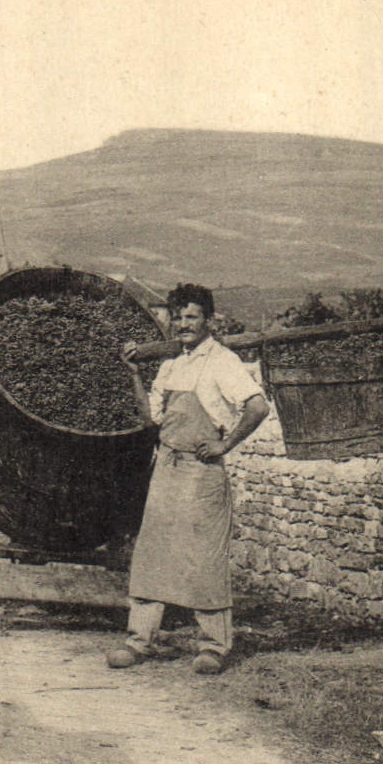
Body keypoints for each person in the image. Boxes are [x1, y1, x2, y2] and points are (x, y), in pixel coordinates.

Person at [108, 283, 270, 674]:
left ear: (208, 321)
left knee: (204, 559)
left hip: (202, 475)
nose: (183, 324)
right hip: (167, 467)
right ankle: (138, 642)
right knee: (152, 555)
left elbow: (257, 406)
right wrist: (133, 374)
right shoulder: (170, 365)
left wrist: (224, 445)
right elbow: (150, 419)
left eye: (191, 317)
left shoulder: (223, 362)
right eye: (178, 317)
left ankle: (213, 647)